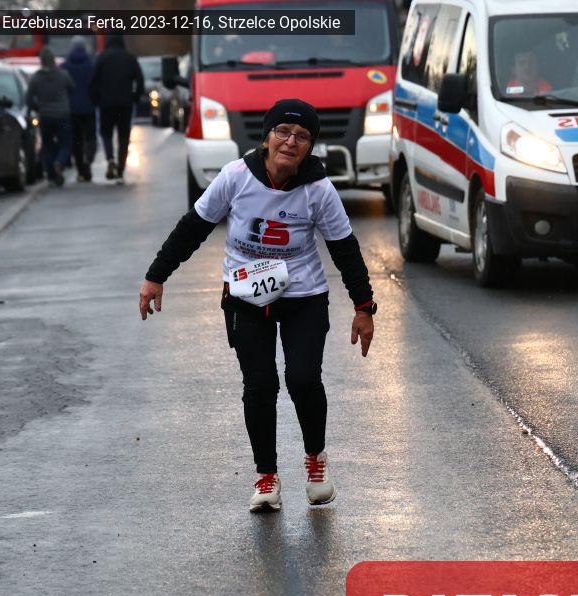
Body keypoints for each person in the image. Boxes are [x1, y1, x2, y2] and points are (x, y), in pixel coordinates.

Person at [139, 99, 377, 513]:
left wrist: (364, 307)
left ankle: (315, 460)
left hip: (303, 296)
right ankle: (266, 477)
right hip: (245, 297)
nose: (291, 142)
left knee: (303, 379)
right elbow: (193, 227)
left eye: (302, 136)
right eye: (282, 131)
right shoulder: (236, 177)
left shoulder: (318, 189)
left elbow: (345, 249)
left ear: (310, 147)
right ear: (266, 138)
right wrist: (156, 276)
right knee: (260, 384)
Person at [90, 33, 144, 184]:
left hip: (106, 103)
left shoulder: (101, 57)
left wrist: (96, 99)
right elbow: (140, 80)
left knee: (106, 133)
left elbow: (93, 81)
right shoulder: (130, 58)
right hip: (125, 104)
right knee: (124, 136)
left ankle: (110, 159)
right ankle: (120, 170)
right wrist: (135, 97)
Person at [27, 47, 74, 187]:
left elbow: (29, 98)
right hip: (62, 115)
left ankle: (52, 176)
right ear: (53, 60)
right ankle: (60, 161)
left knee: (47, 146)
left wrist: (37, 108)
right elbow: (72, 89)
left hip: (45, 115)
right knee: (65, 143)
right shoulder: (63, 75)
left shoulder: (36, 78)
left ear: (41, 61)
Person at [62, 36, 98, 183]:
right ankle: (88, 159)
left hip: (72, 109)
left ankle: (81, 170)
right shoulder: (92, 65)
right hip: (89, 107)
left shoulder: (65, 66)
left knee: (76, 140)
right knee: (90, 137)